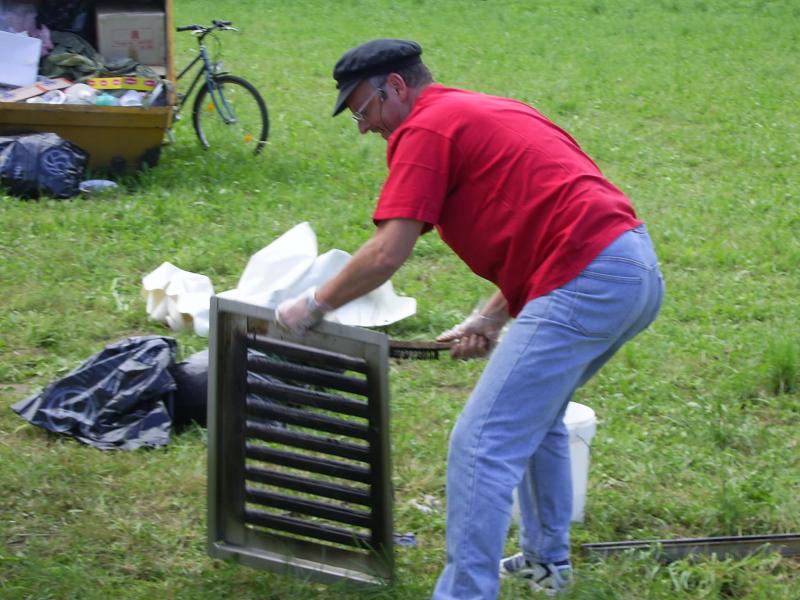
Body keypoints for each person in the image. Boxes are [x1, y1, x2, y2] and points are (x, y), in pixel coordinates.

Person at [276, 38, 664, 599]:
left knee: (482, 442)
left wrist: (312, 305)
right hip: (630, 269)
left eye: (364, 110)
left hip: (586, 278)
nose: (364, 127)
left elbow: (387, 252)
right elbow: (552, 223)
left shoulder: (425, 129)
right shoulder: (482, 109)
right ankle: (546, 564)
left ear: (397, 87)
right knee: (539, 418)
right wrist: (490, 317)